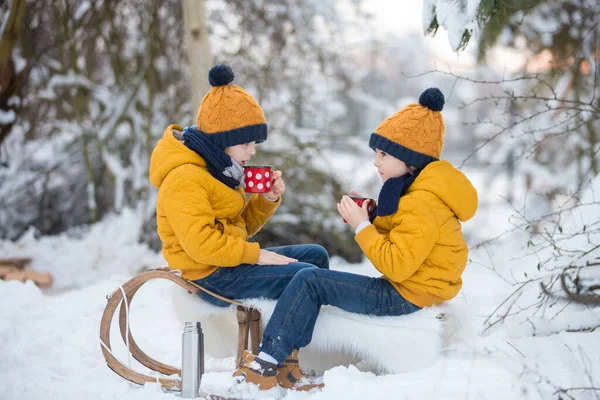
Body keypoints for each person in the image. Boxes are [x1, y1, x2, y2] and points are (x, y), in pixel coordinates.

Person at [234, 88, 478, 391]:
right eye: (376, 154)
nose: (376, 163)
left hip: (406, 294)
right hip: (417, 289)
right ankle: (285, 360)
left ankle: (266, 363)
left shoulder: (422, 202)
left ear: (410, 160)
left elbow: (398, 265)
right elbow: (405, 232)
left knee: (310, 281)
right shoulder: (418, 191)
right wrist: (372, 213)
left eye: (384, 155)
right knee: (313, 273)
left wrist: (363, 227)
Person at [148, 65, 330, 389]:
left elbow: (239, 228)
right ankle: (264, 363)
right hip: (209, 273)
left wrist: (265, 200)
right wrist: (257, 256)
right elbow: (201, 244)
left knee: (314, 257)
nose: (252, 151)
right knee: (308, 276)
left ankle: (288, 361)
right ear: (223, 140)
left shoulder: (219, 170)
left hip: (227, 262)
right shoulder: (185, 178)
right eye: (246, 142)